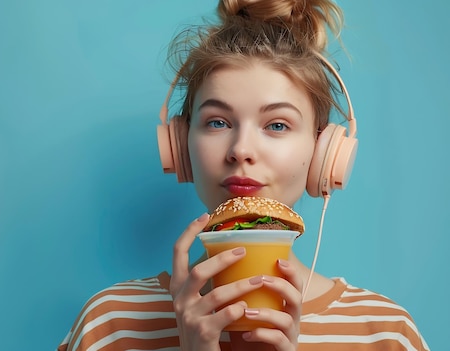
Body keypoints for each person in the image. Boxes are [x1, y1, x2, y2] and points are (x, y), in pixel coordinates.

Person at [57, 0, 429, 350]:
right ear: (180, 144)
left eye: (277, 125)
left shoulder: (384, 331)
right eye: (217, 122)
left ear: (323, 153)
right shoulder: (110, 323)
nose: (241, 150)